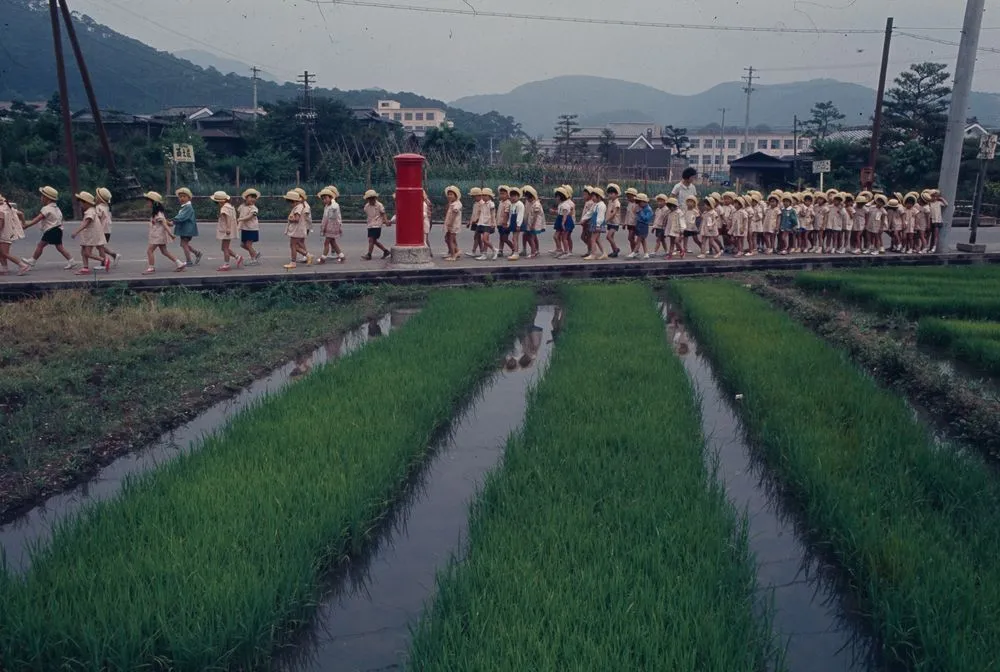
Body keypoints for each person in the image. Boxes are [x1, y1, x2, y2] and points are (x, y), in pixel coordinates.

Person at [22, 185, 77, 270]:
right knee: (59, 247)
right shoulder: (57, 208)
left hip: (51, 230)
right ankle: (71, 260)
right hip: (58, 230)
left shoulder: (46, 209)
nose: (41, 198)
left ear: (47, 198)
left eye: (42, 196)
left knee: (40, 245)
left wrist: (27, 225)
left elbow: (37, 219)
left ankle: (32, 260)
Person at [142, 191, 186, 274]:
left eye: (148, 201)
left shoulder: (158, 214)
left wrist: (170, 234)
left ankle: (151, 268)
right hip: (157, 235)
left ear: (153, 203)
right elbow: (165, 222)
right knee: (164, 251)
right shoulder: (158, 213)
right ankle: (179, 264)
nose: (147, 203)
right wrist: (170, 223)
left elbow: (164, 225)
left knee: (149, 251)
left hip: (158, 236)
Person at [70, 191, 110, 274]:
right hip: (87, 235)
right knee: (83, 252)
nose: (80, 204)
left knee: (87, 253)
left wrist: (76, 232)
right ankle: (85, 267)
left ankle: (104, 260)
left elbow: (86, 223)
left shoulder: (90, 211)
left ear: (86, 203)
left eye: (81, 202)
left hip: (90, 236)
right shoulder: (91, 210)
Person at [0, 194, 30, 275]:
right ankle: (4, 268)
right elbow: (21, 214)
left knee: (5, 253)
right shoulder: (7, 206)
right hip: (9, 233)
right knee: (1, 252)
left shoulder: (0, 210)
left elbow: (1, 224)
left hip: (3, 234)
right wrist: (23, 224)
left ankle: (23, 265)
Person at [171, 187, 202, 266]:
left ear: (189, 197)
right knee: (184, 244)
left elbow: (181, 217)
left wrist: (173, 221)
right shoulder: (185, 206)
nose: (182, 198)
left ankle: (189, 261)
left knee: (184, 244)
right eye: (180, 196)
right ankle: (197, 253)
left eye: (184, 196)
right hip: (185, 229)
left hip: (187, 230)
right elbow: (180, 216)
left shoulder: (188, 207)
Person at [212, 191, 242, 271]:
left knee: (225, 248)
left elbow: (228, 218)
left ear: (221, 201)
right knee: (224, 247)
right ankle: (237, 257)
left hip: (226, 230)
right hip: (229, 229)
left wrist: (228, 228)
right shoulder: (230, 207)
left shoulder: (224, 208)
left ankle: (226, 264)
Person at [283, 190, 312, 269]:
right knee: (294, 245)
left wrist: (290, 219)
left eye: (290, 202)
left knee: (293, 246)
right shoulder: (300, 206)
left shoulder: (298, 208)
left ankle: (293, 262)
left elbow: (296, 219)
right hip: (298, 229)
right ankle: (307, 255)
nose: (290, 205)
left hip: (296, 230)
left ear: (294, 201)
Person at [318, 186, 345, 263]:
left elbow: (334, 211)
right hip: (328, 226)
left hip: (333, 226)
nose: (324, 200)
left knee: (326, 242)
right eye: (323, 199)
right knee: (332, 242)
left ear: (331, 197)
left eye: (325, 198)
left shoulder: (334, 205)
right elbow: (325, 217)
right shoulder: (327, 206)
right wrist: (323, 226)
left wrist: (332, 200)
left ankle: (323, 258)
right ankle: (342, 256)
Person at [95, 187, 121, 267]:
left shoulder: (98, 207)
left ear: (99, 198)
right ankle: (114, 255)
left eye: (96, 196)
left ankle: (103, 263)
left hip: (101, 230)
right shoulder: (107, 207)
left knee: (100, 247)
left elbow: (97, 219)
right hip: (107, 230)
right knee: (100, 246)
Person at [362, 189, 391, 260]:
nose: (371, 200)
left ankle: (369, 255)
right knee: (373, 241)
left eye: (372, 198)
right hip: (370, 225)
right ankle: (385, 251)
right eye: (369, 199)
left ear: (375, 198)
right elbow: (367, 213)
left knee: (371, 240)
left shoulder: (379, 205)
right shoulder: (367, 206)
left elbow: (383, 213)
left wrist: (386, 221)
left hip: (377, 225)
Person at [238, 188, 262, 265]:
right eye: (251, 197)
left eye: (254, 197)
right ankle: (255, 253)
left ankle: (254, 259)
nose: (253, 199)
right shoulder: (242, 206)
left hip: (252, 229)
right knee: (243, 244)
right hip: (245, 228)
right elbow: (239, 212)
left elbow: (250, 216)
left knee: (248, 245)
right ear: (246, 197)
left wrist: (240, 219)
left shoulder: (254, 208)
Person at [584, 187, 607, 260]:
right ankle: (604, 253)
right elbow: (590, 213)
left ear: (599, 197)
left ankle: (593, 254)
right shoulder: (596, 204)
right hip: (595, 224)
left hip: (598, 225)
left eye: (593, 196)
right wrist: (583, 218)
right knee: (597, 239)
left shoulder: (601, 205)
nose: (592, 198)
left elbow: (600, 217)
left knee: (592, 239)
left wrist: (597, 225)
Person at [523, 186, 545, 259]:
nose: (527, 199)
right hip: (531, 223)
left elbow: (535, 216)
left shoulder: (536, 204)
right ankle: (537, 250)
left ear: (532, 197)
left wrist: (533, 225)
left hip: (534, 224)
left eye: (528, 198)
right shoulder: (531, 202)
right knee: (534, 237)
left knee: (531, 238)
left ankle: (533, 252)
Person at [477, 187, 498, 261]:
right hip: (482, 223)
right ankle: (484, 254)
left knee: (484, 239)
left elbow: (493, 214)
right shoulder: (482, 203)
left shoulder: (491, 204)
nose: (484, 197)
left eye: (486, 195)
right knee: (485, 239)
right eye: (483, 195)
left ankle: (495, 249)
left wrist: (493, 223)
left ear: (489, 196)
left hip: (489, 224)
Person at [443, 185, 463, 261]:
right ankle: (456, 251)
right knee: (448, 238)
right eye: (448, 194)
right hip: (450, 224)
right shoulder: (452, 203)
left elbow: (453, 216)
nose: (449, 196)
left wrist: (450, 224)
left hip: (453, 225)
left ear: (456, 195)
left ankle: (453, 255)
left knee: (450, 239)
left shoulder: (457, 204)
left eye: (451, 194)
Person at [631, 193, 652, 259]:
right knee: (643, 240)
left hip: (644, 225)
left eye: (640, 202)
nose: (639, 204)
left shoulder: (648, 209)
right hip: (639, 224)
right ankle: (646, 253)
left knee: (639, 240)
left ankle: (634, 252)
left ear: (644, 202)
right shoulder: (640, 208)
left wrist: (641, 212)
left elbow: (646, 218)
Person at [507, 186, 525, 261]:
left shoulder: (519, 204)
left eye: (515, 196)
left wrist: (518, 224)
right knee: (514, 238)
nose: (513, 198)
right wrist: (508, 223)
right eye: (511, 196)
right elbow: (510, 215)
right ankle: (515, 251)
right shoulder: (512, 204)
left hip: (517, 223)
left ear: (518, 196)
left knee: (515, 238)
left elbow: (520, 215)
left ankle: (516, 253)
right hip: (513, 222)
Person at [928, 188, 948, 253]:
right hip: (931, 219)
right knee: (929, 233)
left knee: (935, 234)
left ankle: (934, 247)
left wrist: (941, 198)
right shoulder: (929, 203)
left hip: (937, 220)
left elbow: (946, 204)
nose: (934, 197)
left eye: (936, 196)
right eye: (933, 196)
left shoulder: (939, 203)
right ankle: (928, 246)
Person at [605, 183, 622, 258]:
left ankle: (616, 249)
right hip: (610, 222)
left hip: (615, 222)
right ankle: (614, 252)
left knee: (608, 237)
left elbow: (614, 213)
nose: (610, 195)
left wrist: (606, 219)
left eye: (612, 193)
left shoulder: (617, 202)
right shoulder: (610, 201)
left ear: (616, 194)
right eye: (609, 193)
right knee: (611, 237)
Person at [465, 187, 483, 258]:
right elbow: (473, 214)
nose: (473, 198)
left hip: (479, 222)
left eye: (474, 196)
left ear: (479, 195)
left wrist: (477, 220)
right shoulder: (476, 203)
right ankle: (482, 251)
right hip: (475, 222)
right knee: (478, 237)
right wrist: (470, 222)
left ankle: (474, 251)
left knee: (476, 236)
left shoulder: (481, 203)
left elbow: (482, 213)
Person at [496, 186, 513, 258]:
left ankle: (514, 249)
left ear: (508, 195)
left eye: (503, 194)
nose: (501, 195)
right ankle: (500, 250)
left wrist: (504, 222)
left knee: (505, 238)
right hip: (499, 223)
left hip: (505, 224)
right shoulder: (501, 202)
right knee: (501, 237)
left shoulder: (508, 203)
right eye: (500, 194)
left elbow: (506, 213)